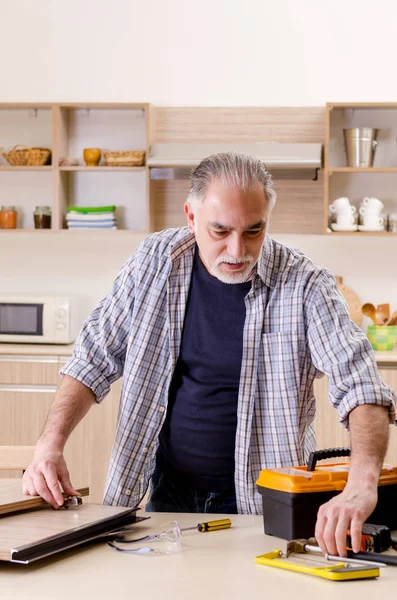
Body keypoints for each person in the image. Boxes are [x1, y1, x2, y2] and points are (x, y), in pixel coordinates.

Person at [23, 152, 395, 559]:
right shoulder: (154, 262)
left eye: (255, 231)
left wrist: (361, 484)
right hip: (166, 492)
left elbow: (360, 384)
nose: (238, 250)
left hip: (265, 504)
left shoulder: (306, 284)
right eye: (220, 231)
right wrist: (49, 444)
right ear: (190, 216)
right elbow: (94, 354)